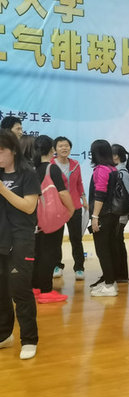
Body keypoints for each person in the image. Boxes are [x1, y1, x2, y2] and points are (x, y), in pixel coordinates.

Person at [0, 130, 40, 359]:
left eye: (1, 151)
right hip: (1, 238)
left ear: (13, 150)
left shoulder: (28, 174)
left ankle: (29, 339)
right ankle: (4, 335)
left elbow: (29, 206)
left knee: (20, 290)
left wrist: (2, 190)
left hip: (21, 239)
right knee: (1, 290)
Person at [32, 135, 74, 303]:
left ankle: (35, 287)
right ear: (52, 149)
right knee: (50, 253)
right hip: (51, 218)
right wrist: (71, 210)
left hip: (35, 217)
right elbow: (63, 193)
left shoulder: (32, 168)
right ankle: (46, 291)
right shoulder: (52, 168)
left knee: (37, 252)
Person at [87, 139, 120, 297]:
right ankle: (110, 281)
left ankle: (109, 285)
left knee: (102, 250)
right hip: (113, 215)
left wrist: (95, 217)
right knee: (110, 248)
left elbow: (99, 195)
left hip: (103, 215)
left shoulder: (101, 170)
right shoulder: (113, 169)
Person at [52, 136, 87, 281]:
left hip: (75, 206)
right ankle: (57, 266)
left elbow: (79, 183)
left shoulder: (75, 164)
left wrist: (84, 199)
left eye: (66, 145)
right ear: (55, 149)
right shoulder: (50, 165)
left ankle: (79, 268)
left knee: (76, 238)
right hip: (57, 207)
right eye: (60, 146)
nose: (64, 148)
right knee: (56, 239)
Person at [112, 144, 129, 283]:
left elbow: (125, 197)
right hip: (118, 214)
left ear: (116, 156)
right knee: (118, 242)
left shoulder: (121, 173)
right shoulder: (118, 170)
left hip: (120, 215)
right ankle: (120, 273)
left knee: (117, 243)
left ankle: (121, 274)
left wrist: (119, 214)